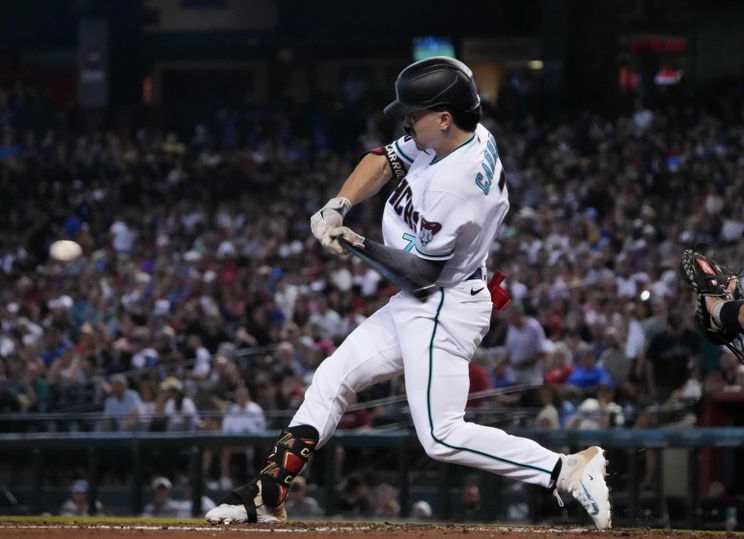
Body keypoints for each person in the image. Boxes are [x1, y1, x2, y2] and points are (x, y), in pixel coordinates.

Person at [206, 56, 611, 530]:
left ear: (443, 117)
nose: (406, 121)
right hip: (427, 298)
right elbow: (384, 158)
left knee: (441, 435)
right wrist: (340, 204)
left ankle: (564, 470)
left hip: (443, 301)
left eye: (414, 113)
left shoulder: (456, 186)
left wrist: (356, 243)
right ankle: (267, 492)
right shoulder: (452, 135)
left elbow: (419, 274)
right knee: (334, 375)